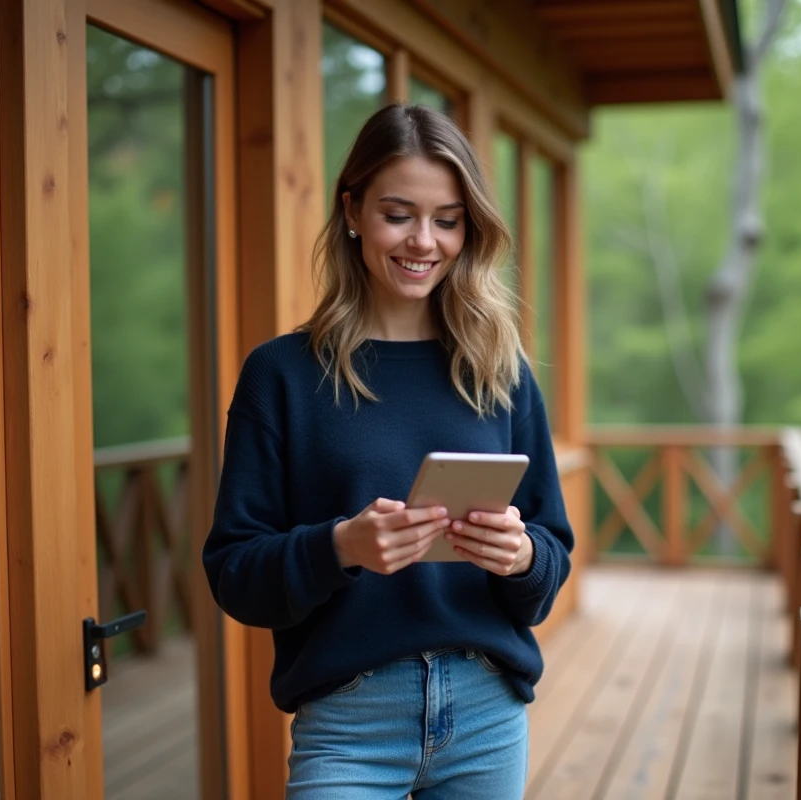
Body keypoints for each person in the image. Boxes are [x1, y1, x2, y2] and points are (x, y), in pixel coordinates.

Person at [201, 103, 573, 799]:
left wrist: (521, 557)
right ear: (352, 211)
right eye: (398, 214)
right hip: (348, 720)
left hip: (488, 713)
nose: (423, 241)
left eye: (448, 219)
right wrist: (340, 546)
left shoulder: (501, 369)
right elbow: (234, 573)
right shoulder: (281, 375)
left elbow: (552, 557)